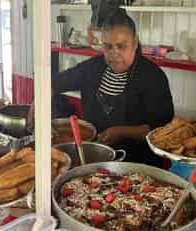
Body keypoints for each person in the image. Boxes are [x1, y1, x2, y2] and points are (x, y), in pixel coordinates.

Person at [31, 8, 174, 168]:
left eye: (121, 46)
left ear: (134, 43)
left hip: (139, 164)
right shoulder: (92, 68)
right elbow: (55, 82)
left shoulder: (152, 76)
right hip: (93, 160)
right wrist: (39, 98)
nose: (114, 53)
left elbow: (161, 129)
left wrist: (121, 131)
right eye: (108, 46)